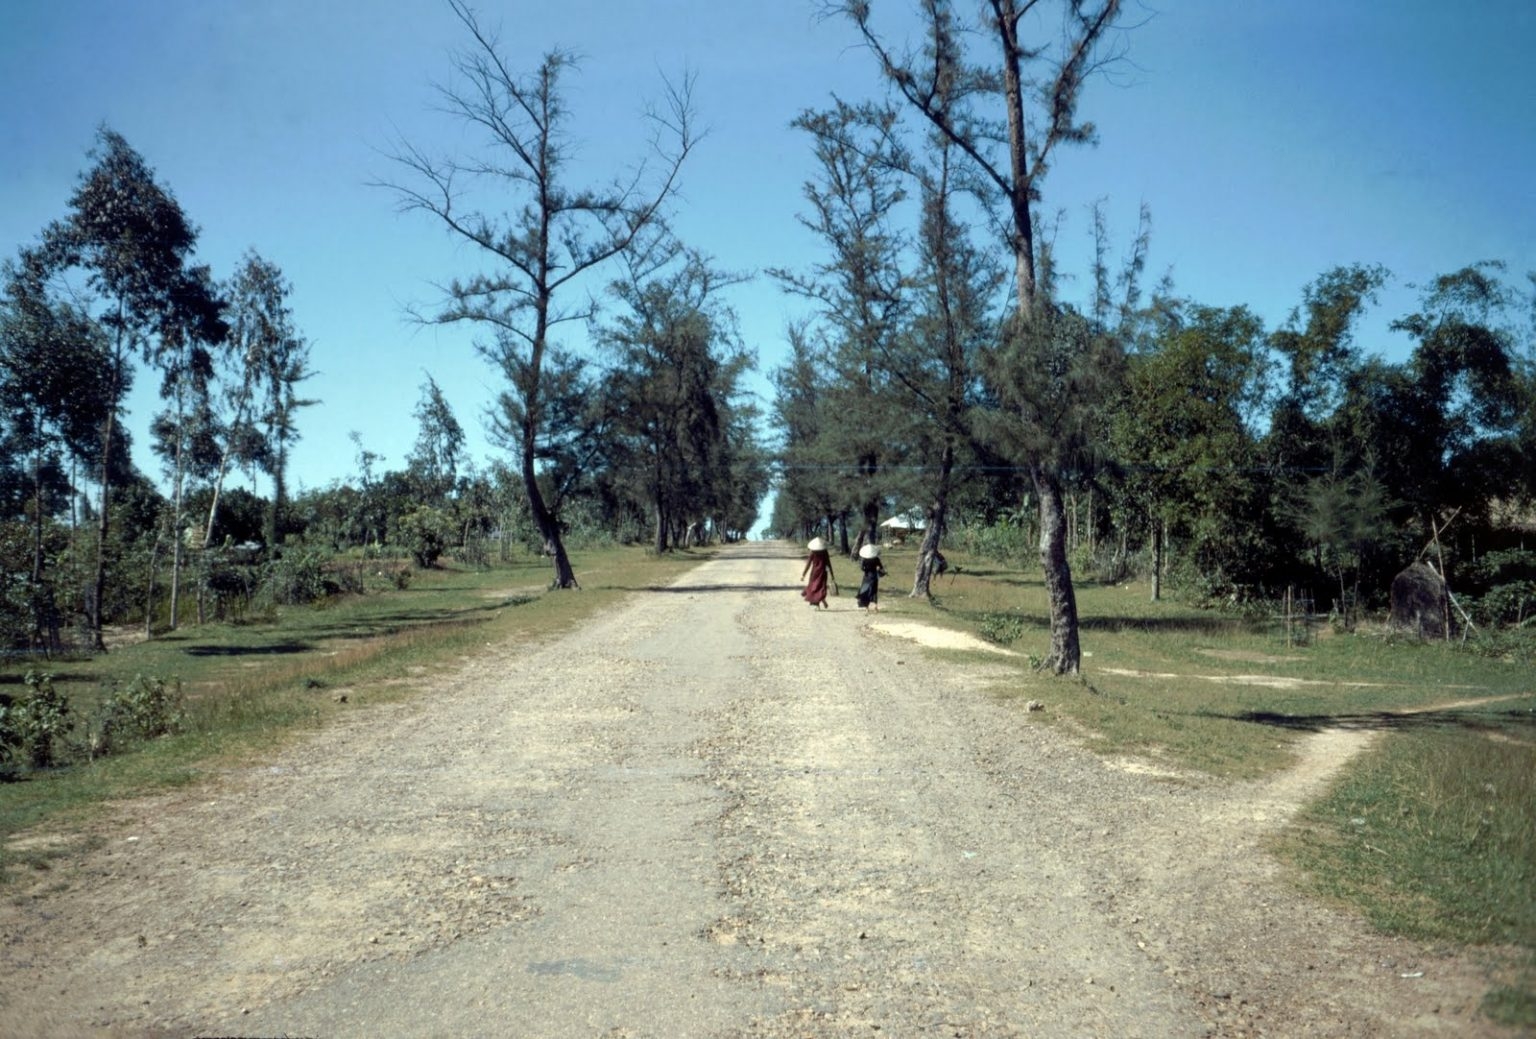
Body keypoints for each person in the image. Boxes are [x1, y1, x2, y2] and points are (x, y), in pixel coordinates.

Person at [800, 537, 835, 609]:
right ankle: (821, 600)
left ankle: (817, 604)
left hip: (814, 573)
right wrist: (832, 574)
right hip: (823, 572)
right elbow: (829, 563)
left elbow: (808, 564)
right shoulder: (825, 552)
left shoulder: (813, 552)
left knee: (813, 587)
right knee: (820, 587)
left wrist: (803, 574)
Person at [856, 543, 887, 612]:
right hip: (874, 576)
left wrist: (866, 570)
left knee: (866, 591)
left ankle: (867, 608)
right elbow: (881, 567)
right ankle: (875, 607)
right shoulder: (876, 559)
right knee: (874, 591)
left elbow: (862, 568)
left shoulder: (864, 560)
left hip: (866, 577)